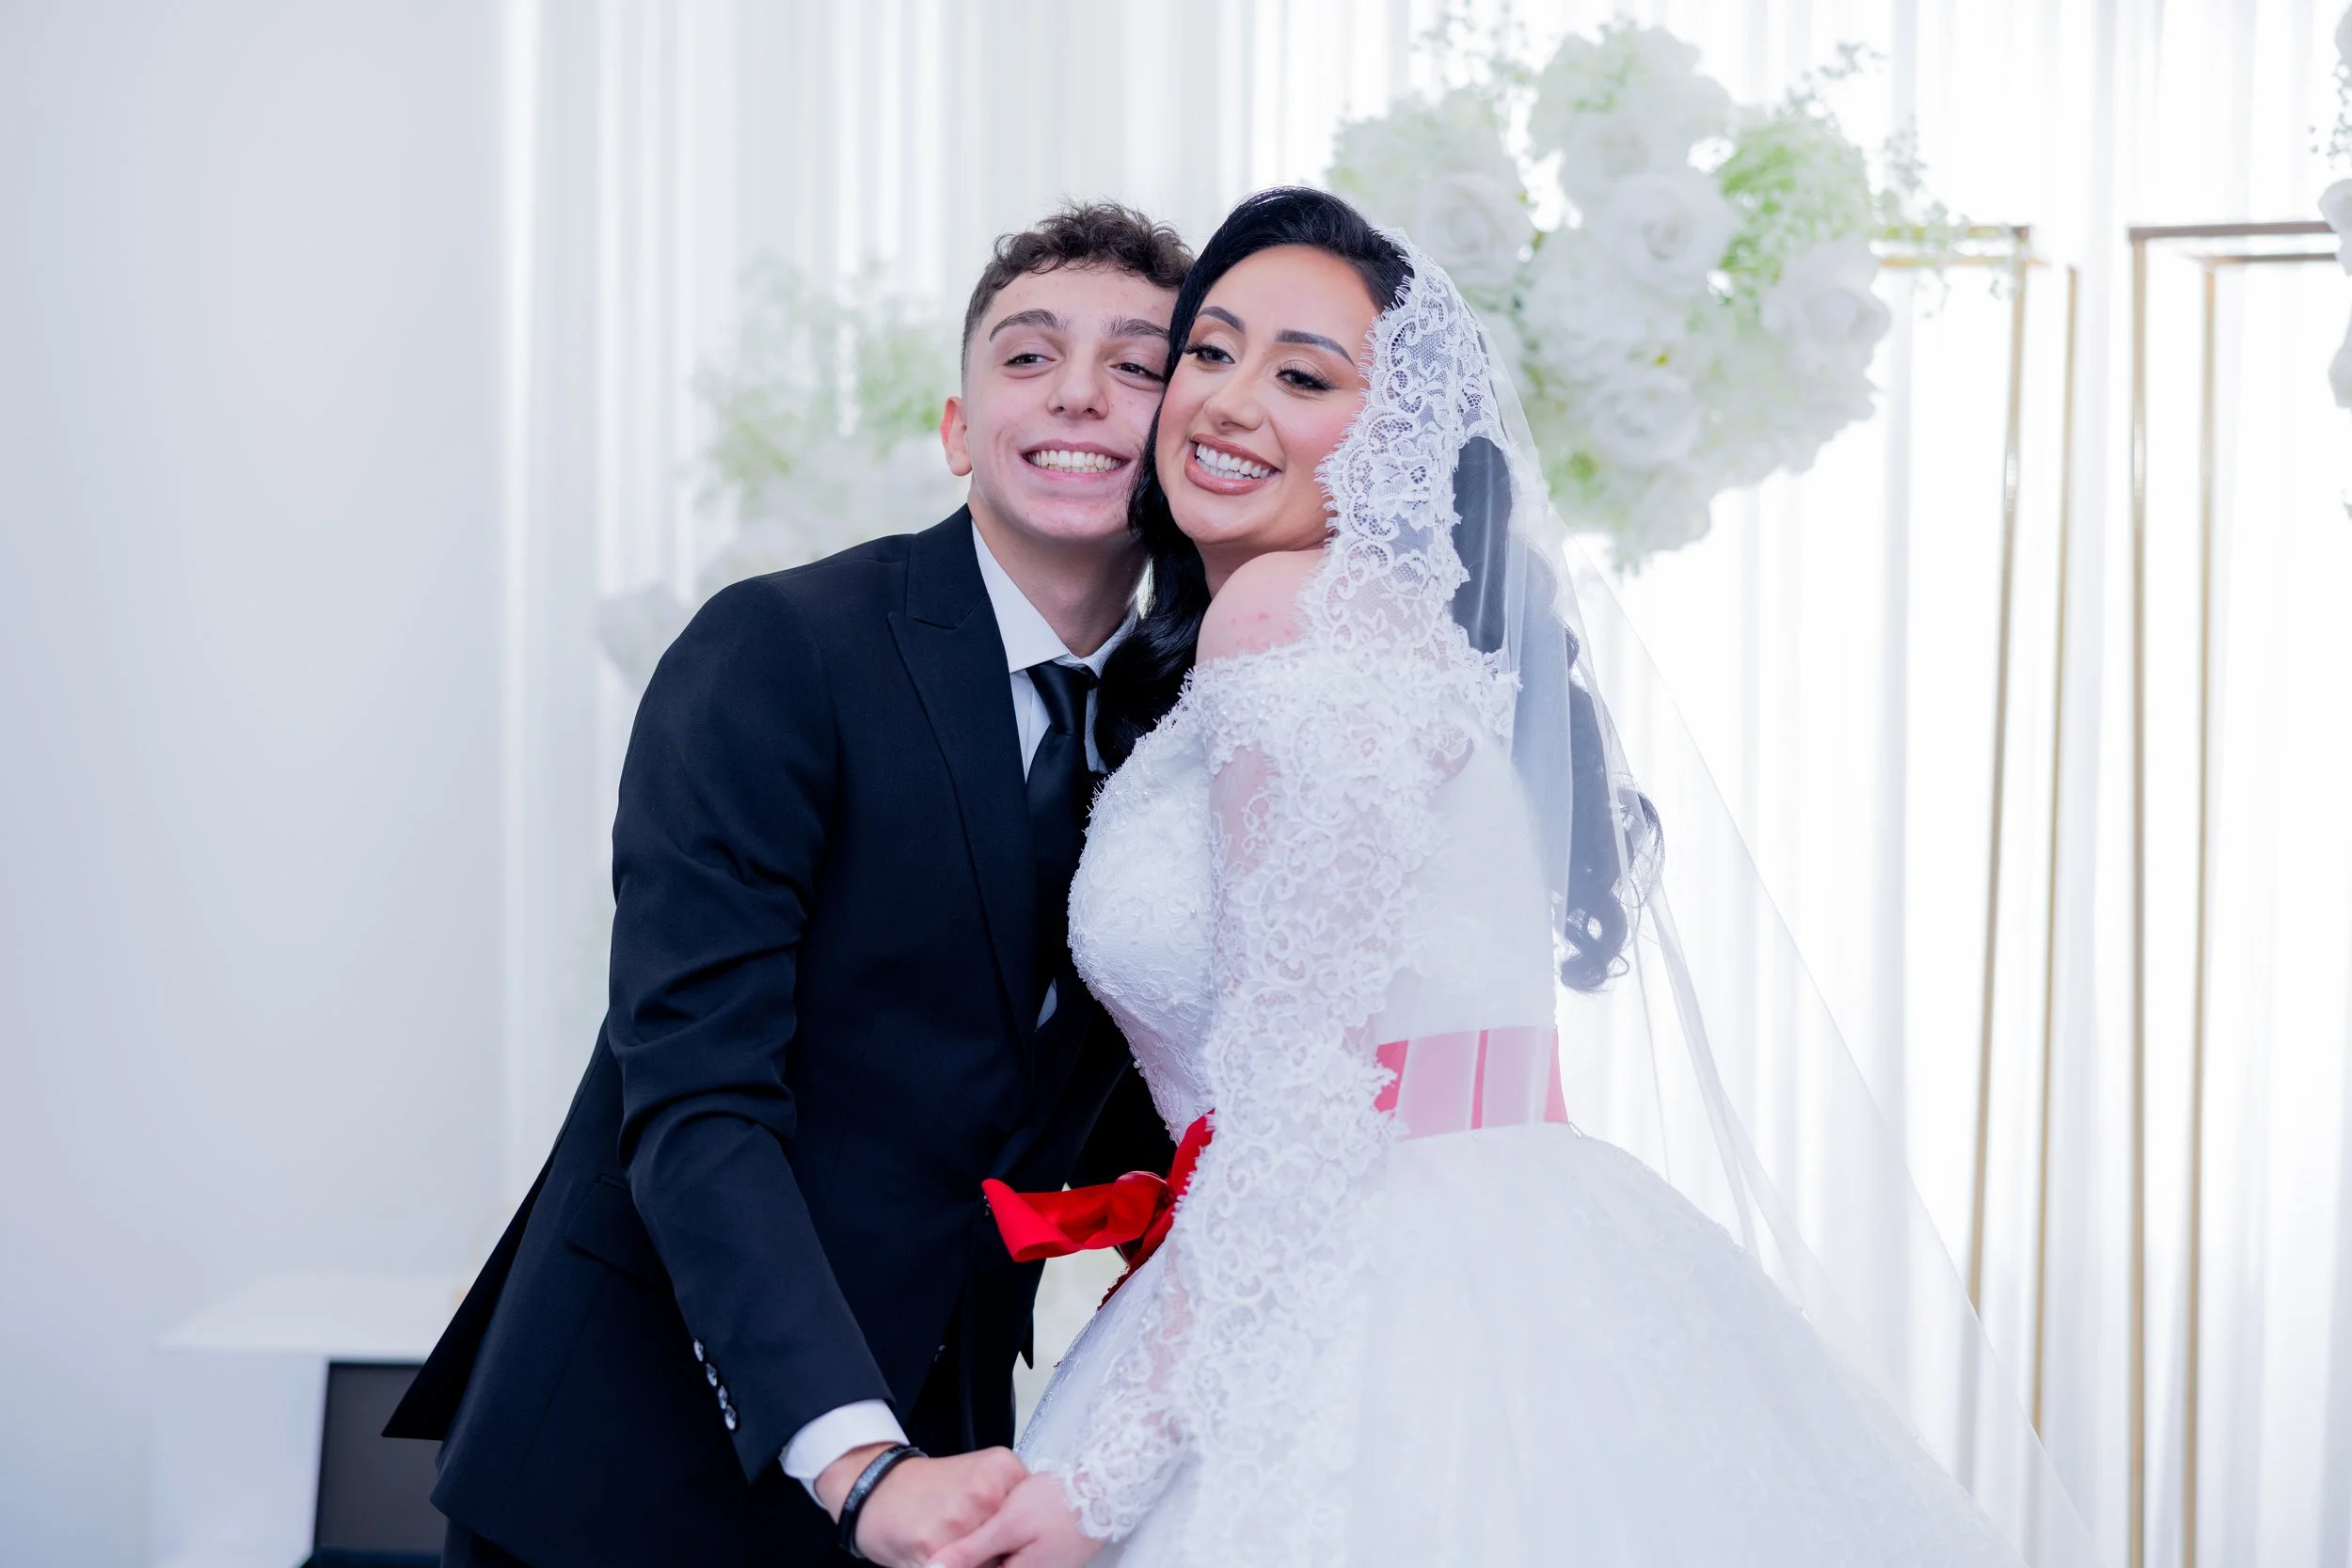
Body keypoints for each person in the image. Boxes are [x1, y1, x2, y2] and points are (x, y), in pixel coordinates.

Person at [928, 188, 2081, 1568]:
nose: (1228, 402)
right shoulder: (1375, 627)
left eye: (1303, 375)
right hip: (1499, 1260)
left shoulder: (1285, 613)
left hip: (1361, 1290)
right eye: (1210, 350)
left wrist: (1095, 1488)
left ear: (1400, 441)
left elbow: (1296, 1102)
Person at [384, 201, 1188, 1568]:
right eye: (1029, 353)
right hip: (633, 1459)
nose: (1079, 392)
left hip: (953, 1453)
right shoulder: (780, 651)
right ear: (956, 427)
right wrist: (856, 1455)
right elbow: (694, 1097)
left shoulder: (1188, 732)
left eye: (1138, 364)